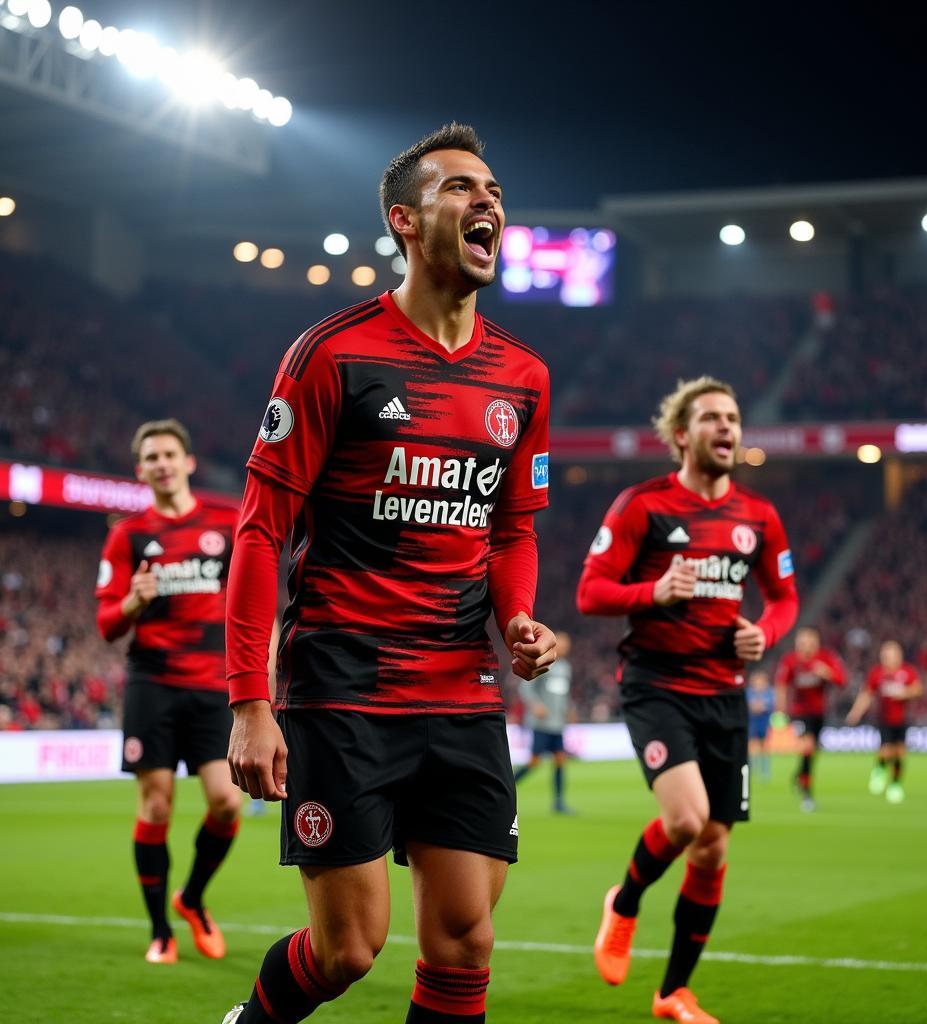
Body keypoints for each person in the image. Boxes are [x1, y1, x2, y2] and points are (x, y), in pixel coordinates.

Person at [220, 123, 556, 1024]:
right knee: (348, 951)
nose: (487, 201)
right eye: (460, 188)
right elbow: (260, 533)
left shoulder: (523, 376)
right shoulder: (332, 354)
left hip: (463, 687)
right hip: (345, 686)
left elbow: (514, 527)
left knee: (465, 940)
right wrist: (252, 703)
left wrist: (519, 616)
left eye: (493, 190)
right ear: (406, 221)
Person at [577, 376, 798, 1024]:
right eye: (712, 419)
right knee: (685, 820)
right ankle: (624, 902)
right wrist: (654, 594)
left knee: (713, 848)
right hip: (657, 686)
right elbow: (591, 592)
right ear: (682, 435)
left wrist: (767, 633)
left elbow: (783, 598)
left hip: (725, 695)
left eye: (733, 418)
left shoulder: (759, 516)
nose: (728, 428)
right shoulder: (642, 506)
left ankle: (673, 991)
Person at [95, 419, 241, 965]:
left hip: (211, 684)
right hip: (152, 683)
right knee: (156, 805)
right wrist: (133, 601)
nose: (161, 463)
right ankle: (161, 931)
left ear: (188, 461)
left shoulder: (224, 524)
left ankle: (193, 899)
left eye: (168, 454)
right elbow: (107, 624)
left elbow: (249, 596)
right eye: (150, 457)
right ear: (140, 470)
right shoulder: (127, 536)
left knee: (226, 802)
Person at [773, 625, 846, 811]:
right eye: (802, 642)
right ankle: (807, 796)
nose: (805, 646)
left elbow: (842, 680)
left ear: (816, 643)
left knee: (811, 753)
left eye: (809, 642)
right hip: (799, 713)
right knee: (808, 747)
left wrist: (826, 673)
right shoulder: (790, 661)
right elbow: (781, 685)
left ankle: (799, 776)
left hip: (819, 713)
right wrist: (780, 710)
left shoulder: (825, 658)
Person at [846, 640, 922, 804]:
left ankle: (895, 785)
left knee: (900, 753)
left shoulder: (907, 672)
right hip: (884, 719)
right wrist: (856, 712)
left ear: (899, 655)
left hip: (902, 719)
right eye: (885, 654)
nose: (888, 657)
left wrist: (905, 693)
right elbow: (866, 694)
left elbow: (918, 689)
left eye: (892, 654)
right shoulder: (877, 673)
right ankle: (880, 768)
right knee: (886, 750)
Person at [514, 630, 576, 814]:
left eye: (567, 645)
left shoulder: (566, 667)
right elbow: (525, 687)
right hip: (542, 724)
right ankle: (507, 787)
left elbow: (564, 694)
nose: (565, 648)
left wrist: (570, 710)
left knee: (560, 760)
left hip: (557, 724)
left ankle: (558, 803)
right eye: (562, 644)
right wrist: (536, 705)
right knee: (534, 762)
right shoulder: (543, 661)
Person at [745, 668, 773, 780]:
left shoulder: (769, 693)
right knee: (750, 746)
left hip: (764, 723)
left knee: (764, 747)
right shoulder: (748, 693)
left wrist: (758, 706)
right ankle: (750, 768)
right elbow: (747, 706)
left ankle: (765, 771)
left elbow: (770, 705)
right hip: (752, 723)